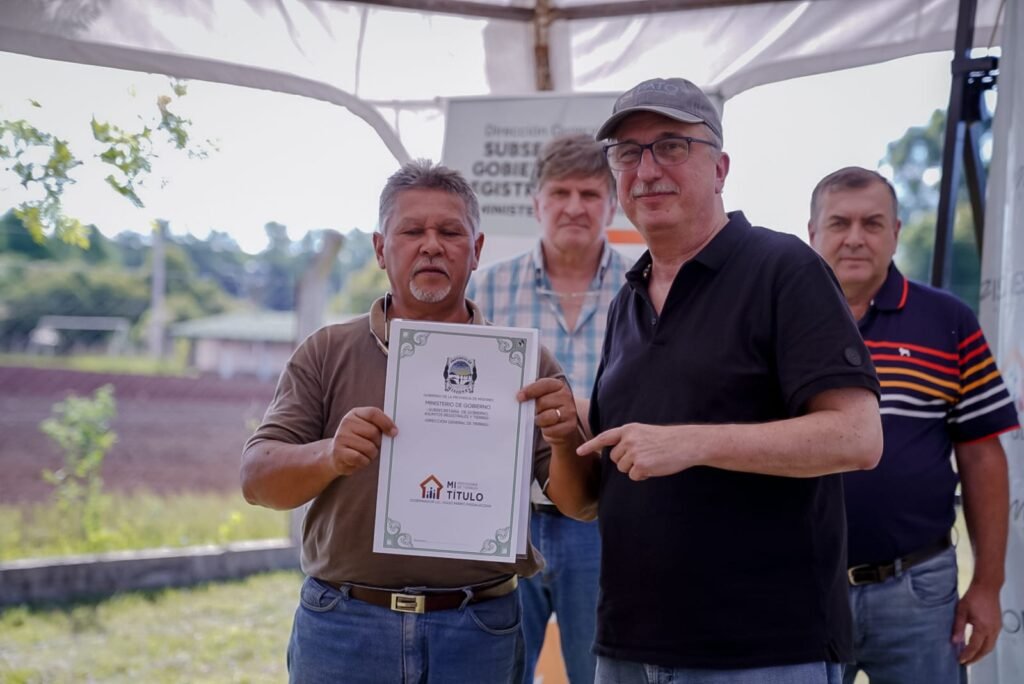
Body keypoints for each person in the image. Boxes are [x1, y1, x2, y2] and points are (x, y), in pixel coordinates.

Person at [545, 77, 884, 684]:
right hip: (626, 648)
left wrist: (693, 442)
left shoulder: (784, 269)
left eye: (671, 146)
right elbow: (592, 501)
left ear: (721, 168)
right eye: (628, 153)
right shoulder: (628, 300)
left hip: (760, 653)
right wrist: (566, 431)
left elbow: (858, 438)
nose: (647, 169)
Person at [240, 160, 581, 684]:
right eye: (412, 231)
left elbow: (579, 503)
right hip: (345, 625)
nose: (431, 246)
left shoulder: (522, 364)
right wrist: (329, 455)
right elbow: (257, 480)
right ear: (381, 249)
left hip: (478, 629)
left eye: (450, 232)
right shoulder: (327, 351)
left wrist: (565, 439)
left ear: (477, 249)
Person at [807, 166, 1019, 684]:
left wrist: (987, 585)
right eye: (839, 223)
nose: (855, 238)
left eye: (872, 223)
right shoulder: (778, 319)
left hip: (918, 590)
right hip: (800, 587)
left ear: (896, 231)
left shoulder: (947, 320)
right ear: (812, 232)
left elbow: (982, 456)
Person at [469, 133, 631, 683]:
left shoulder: (646, 289)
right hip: (506, 518)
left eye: (590, 193)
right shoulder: (487, 289)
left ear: (612, 204)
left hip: (607, 520)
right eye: (560, 193)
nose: (574, 207)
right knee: (498, 671)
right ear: (536, 203)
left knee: (603, 672)